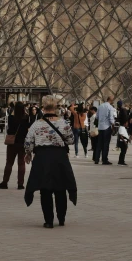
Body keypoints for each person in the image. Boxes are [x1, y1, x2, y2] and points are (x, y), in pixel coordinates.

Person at [24, 95, 77, 228]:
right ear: (56, 107)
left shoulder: (37, 124)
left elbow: (28, 142)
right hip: (59, 157)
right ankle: (61, 218)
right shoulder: (63, 123)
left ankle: (48, 221)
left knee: (45, 189)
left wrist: (28, 153)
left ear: (43, 108)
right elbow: (71, 140)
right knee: (60, 188)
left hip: (42, 158)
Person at [0, 101, 30, 189]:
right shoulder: (26, 118)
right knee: (21, 164)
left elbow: (9, 130)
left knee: (9, 163)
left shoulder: (11, 118)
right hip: (22, 142)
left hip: (12, 143)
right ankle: (20, 184)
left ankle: (5, 182)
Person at [94, 96, 115, 165]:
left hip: (100, 127)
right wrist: (113, 125)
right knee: (106, 144)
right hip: (107, 127)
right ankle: (104, 159)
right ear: (111, 100)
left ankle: (96, 159)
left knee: (99, 144)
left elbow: (97, 117)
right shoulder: (110, 108)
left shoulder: (100, 106)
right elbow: (111, 118)